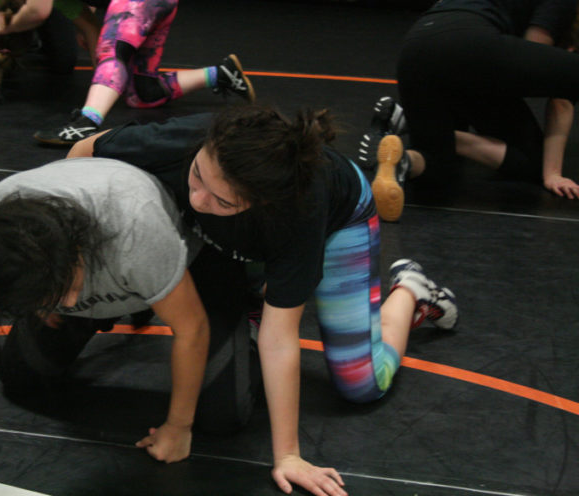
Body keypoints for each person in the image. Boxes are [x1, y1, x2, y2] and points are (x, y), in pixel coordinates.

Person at [66, 104, 459, 496]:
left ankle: (410, 289)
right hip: (232, 243)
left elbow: (281, 336)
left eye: (222, 201)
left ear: (262, 203)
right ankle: (256, 291)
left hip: (341, 218)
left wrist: (287, 455)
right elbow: (81, 154)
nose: (199, 198)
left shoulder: (297, 216)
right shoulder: (178, 142)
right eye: (198, 175)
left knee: (361, 384)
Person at [0, 157, 259, 496]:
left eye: (68, 287)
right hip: (100, 276)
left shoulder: (133, 228)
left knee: (223, 417)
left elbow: (192, 329)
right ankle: (84, 301)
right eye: (53, 296)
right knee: (22, 377)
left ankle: (248, 314)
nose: (71, 302)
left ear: (73, 247)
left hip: (180, 265)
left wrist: (178, 426)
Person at [358, 0, 579, 222]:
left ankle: (404, 158)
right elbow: (539, 63)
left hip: (416, 51)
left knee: (439, 165)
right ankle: (412, 122)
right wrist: (553, 174)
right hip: (467, 44)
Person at [33, 0, 255, 145]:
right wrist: (107, 76)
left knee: (113, 50)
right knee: (142, 94)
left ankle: (87, 122)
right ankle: (221, 74)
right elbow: (89, 24)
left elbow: (36, 11)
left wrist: (6, 26)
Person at [0, 0, 103, 97]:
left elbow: (90, 27)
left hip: (49, 7)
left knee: (63, 62)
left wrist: (102, 81)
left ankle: (35, 39)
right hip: (12, 14)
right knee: (3, 70)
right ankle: (18, 48)